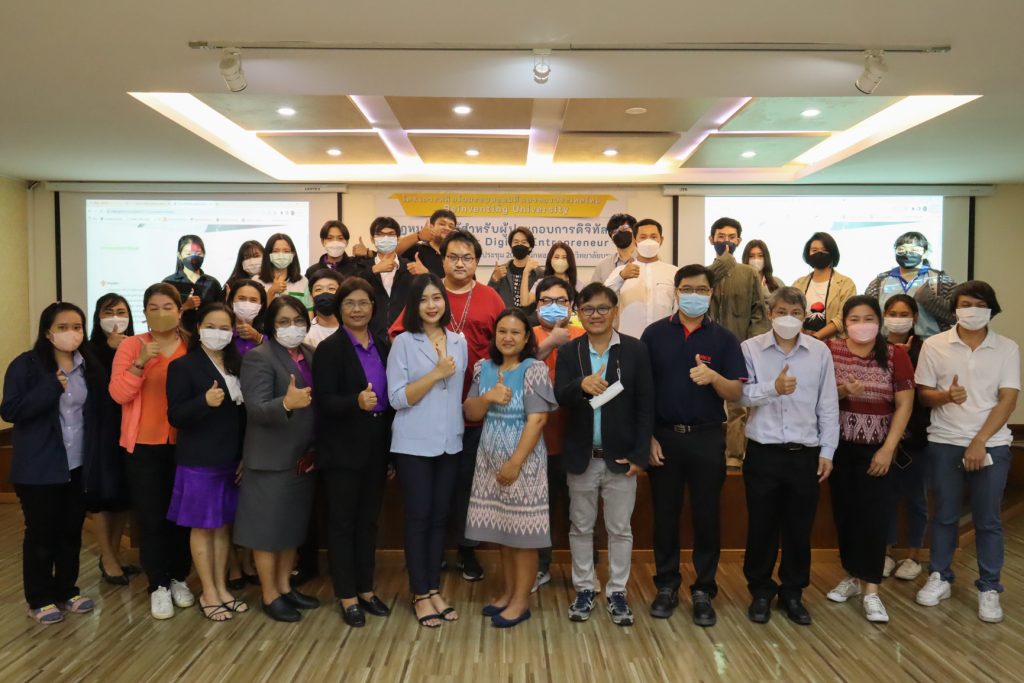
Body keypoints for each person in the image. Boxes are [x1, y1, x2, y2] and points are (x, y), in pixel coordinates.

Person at [389, 229, 505, 581]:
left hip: (475, 409)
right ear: (443, 260)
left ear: (477, 262)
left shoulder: (489, 298)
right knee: (425, 504)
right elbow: (400, 338)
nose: (460, 263)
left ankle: (466, 551)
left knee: (468, 488)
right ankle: (429, 564)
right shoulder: (428, 293)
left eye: (467, 258)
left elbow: (505, 343)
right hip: (425, 413)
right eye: (453, 256)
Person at [641, 265, 746, 626]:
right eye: (687, 289)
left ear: (711, 294)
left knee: (707, 517)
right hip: (664, 438)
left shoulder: (724, 338)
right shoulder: (654, 334)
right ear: (676, 292)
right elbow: (643, 391)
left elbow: (736, 392)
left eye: (702, 290)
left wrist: (714, 377)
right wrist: (648, 436)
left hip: (707, 437)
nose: (694, 295)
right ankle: (666, 586)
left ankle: (703, 589)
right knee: (665, 516)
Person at [914, 280, 1020, 623]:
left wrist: (980, 440)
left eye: (979, 304)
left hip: (992, 444)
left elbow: (1008, 398)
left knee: (988, 520)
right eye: (964, 304)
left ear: (991, 309)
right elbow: (924, 395)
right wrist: (946, 396)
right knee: (944, 515)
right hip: (945, 440)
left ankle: (989, 587)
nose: (971, 310)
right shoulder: (934, 345)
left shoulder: (1007, 348)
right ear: (954, 310)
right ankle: (940, 576)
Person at [739, 286, 839, 626]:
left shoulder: (819, 351)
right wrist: (773, 389)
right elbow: (740, 395)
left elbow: (828, 404)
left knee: (799, 528)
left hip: (804, 453)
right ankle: (761, 591)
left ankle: (793, 592)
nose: (788, 318)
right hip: (763, 452)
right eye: (781, 312)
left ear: (804, 316)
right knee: (761, 526)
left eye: (795, 313)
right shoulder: (750, 348)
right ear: (770, 314)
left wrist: (828, 450)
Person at [555, 283, 654, 626]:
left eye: (602, 308)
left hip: (622, 458)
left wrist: (640, 455)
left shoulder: (635, 350)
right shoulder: (570, 351)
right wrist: (580, 385)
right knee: (581, 527)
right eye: (587, 309)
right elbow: (559, 395)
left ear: (615, 311)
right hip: (582, 456)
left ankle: (617, 592)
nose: (595, 315)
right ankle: (585, 588)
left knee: (620, 529)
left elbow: (646, 405)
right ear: (578, 314)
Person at [1, 303, 106, 624]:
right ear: (47, 332)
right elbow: (10, 411)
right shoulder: (27, 365)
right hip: (39, 467)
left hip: (77, 465)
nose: (71, 333)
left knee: (70, 531)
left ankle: (67, 590)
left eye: (77, 326)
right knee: (42, 534)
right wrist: (50, 388)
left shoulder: (87, 364)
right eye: (62, 327)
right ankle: (39, 599)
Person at [824, 295, 914, 623]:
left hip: (878, 449)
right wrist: (843, 392)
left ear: (878, 321)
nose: (862, 325)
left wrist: (888, 448)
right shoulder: (830, 351)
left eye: (868, 319)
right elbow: (819, 396)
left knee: (874, 518)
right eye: (854, 319)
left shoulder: (895, 354)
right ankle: (852, 576)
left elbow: (905, 404)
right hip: (839, 447)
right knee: (846, 515)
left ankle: (872, 590)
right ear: (844, 322)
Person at [464, 308, 557, 628]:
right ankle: (507, 592)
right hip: (488, 463)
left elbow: (538, 420)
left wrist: (515, 463)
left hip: (523, 465)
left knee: (524, 536)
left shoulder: (534, 370)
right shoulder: (483, 368)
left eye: (516, 332)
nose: (508, 337)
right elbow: (471, 412)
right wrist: (489, 397)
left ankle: (521, 602)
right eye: (502, 331)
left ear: (527, 337)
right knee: (503, 531)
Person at [108, 283, 194, 619]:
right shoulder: (132, 345)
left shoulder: (191, 344)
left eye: (167, 307)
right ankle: (158, 584)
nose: (161, 313)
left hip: (185, 443)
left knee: (181, 517)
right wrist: (140, 363)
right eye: (153, 308)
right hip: (143, 445)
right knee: (151, 517)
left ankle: (178, 578)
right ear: (144, 313)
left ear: (180, 310)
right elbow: (119, 394)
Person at [386, 274, 468, 628]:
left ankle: (433, 587)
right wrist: (436, 373)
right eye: (423, 299)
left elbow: (458, 391)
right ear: (413, 305)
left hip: (450, 442)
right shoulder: (404, 342)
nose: (432, 305)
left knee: (439, 518)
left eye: (437, 298)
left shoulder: (458, 341)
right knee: (418, 517)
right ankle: (419, 593)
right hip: (413, 444)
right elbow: (397, 398)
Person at [233, 296, 320, 622]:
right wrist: (285, 403)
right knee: (267, 532)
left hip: (303, 457)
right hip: (270, 459)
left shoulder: (310, 353)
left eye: (297, 320)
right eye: (283, 322)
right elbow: (256, 409)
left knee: (291, 528)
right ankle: (270, 594)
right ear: (271, 325)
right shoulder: (259, 357)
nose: (292, 327)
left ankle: (285, 587)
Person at [313, 277, 393, 627]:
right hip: (342, 450)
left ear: (373, 307)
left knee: (368, 522)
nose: (357, 309)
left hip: (377, 445)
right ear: (340, 308)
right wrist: (355, 401)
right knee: (343, 523)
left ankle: (366, 588)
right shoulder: (330, 349)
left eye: (363, 303)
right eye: (349, 303)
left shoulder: (383, 345)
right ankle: (347, 595)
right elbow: (324, 401)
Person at [166, 303, 248, 622]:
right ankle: (208, 592)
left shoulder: (236, 364)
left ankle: (222, 588)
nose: (218, 333)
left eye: (225, 327)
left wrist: (244, 455)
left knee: (223, 526)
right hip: (199, 460)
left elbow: (243, 416)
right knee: (203, 527)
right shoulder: (183, 366)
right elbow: (176, 415)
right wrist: (204, 401)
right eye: (211, 326)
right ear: (199, 328)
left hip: (230, 459)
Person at [531, 276, 585, 589]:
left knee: (582, 510)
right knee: (541, 509)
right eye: (546, 301)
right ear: (537, 305)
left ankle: (585, 571)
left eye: (561, 301)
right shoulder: (526, 335)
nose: (553, 307)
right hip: (537, 441)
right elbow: (515, 371)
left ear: (571, 306)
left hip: (577, 438)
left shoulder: (583, 334)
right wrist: (550, 342)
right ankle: (540, 566)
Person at [706, 218, 770, 470]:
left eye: (731, 237)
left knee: (738, 408)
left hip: (740, 348)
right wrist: (721, 264)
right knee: (708, 404)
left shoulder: (749, 273)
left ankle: (734, 456)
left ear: (739, 241)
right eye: (721, 236)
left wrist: (751, 347)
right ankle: (711, 453)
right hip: (708, 350)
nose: (726, 241)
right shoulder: (704, 273)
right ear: (711, 239)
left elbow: (759, 312)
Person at [84, 293, 139, 586]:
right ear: (98, 317)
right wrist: (110, 349)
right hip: (102, 429)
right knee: (104, 497)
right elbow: (99, 388)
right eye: (109, 312)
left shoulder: (137, 345)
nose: (116, 318)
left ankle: (115, 555)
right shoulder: (89, 350)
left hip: (130, 427)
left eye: (121, 311)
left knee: (123, 497)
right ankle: (107, 557)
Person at [881, 294, 930, 580]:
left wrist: (906, 358)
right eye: (892, 313)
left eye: (904, 314)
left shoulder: (926, 348)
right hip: (881, 436)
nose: (897, 319)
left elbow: (923, 394)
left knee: (916, 498)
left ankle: (914, 556)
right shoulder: (875, 346)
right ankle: (886, 552)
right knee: (885, 497)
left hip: (915, 437)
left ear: (915, 317)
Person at [864, 231, 957, 338]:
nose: (907, 253)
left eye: (914, 250)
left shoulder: (941, 280)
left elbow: (955, 316)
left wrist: (930, 300)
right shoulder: (879, 282)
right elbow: (867, 313)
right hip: (888, 342)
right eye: (901, 249)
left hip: (930, 342)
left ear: (925, 253)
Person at [603, 218, 677, 338]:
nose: (648, 241)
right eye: (643, 237)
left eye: (653, 237)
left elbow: (678, 308)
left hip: (664, 338)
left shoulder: (673, 272)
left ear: (661, 240)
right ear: (635, 240)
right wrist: (621, 277)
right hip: (629, 339)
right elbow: (603, 296)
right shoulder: (621, 271)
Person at [791, 232, 856, 341]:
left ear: (832, 253)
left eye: (824, 250)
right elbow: (791, 314)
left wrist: (814, 338)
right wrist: (801, 338)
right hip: (800, 343)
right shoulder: (798, 283)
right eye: (814, 250)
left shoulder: (846, 284)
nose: (819, 253)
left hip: (833, 344)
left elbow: (842, 318)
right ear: (808, 254)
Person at [358, 216, 412, 335]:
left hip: (404, 335)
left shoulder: (409, 267)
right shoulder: (362, 266)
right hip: (370, 335)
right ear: (372, 239)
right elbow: (350, 288)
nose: (386, 238)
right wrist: (374, 269)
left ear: (398, 239)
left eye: (391, 234)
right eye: (381, 235)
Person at [162, 235, 223, 333]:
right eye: (188, 253)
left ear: (204, 254)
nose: (193, 257)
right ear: (179, 255)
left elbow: (221, 313)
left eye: (198, 253)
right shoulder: (169, 283)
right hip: (178, 335)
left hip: (207, 336)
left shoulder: (212, 283)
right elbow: (163, 315)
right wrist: (185, 306)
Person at [488, 227, 544, 310]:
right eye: (516, 242)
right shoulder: (501, 270)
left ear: (530, 247)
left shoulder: (539, 273)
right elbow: (489, 297)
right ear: (511, 247)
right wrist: (494, 279)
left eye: (524, 242)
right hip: (507, 316)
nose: (519, 245)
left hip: (531, 318)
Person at [396, 209, 458, 277]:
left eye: (451, 226)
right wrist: (418, 236)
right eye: (442, 224)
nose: (447, 228)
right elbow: (392, 252)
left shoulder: (456, 254)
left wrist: (427, 273)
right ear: (431, 227)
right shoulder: (418, 249)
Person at [258, 232, 312, 310]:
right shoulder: (257, 280)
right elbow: (257, 313)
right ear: (268, 254)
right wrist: (271, 291)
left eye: (286, 251)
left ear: (293, 254)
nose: (281, 255)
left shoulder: (302, 281)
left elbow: (309, 310)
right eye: (276, 251)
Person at [522, 242, 582, 309]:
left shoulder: (578, 285)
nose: (560, 260)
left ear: (570, 261)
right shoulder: (541, 283)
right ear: (550, 260)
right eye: (556, 257)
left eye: (564, 257)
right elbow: (525, 302)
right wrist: (525, 272)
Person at [591, 213, 637, 285]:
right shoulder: (603, 265)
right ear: (612, 238)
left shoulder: (645, 260)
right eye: (615, 231)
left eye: (624, 228)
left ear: (635, 232)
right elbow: (595, 291)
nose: (620, 232)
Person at [225, 278, 267, 355]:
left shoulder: (268, 333)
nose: (247, 304)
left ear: (261, 305)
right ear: (231, 302)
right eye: (242, 299)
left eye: (253, 300)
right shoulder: (222, 331)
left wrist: (258, 338)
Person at [304, 269, 343, 349]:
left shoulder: (352, 331)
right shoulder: (305, 334)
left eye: (331, 288)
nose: (325, 293)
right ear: (311, 296)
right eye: (318, 289)